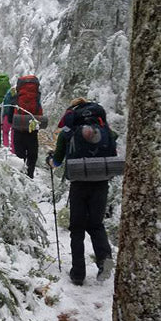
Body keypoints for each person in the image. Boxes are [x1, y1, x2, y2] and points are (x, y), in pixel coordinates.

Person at [46, 98, 116, 286]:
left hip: (79, 183)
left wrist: (51, 160)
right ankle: (104, 261)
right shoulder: (105, 129)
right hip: (101, 182)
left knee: (77, 228)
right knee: (96, 224)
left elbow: (57, 162)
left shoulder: (68, 132)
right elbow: (113, 146)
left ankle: (78, 273)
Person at [12, 74, 43, 178]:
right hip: (32, 130)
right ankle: (30, 176)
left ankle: (20, 177)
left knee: (19, 156)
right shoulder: (36, 96)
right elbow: (40, 113)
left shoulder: (18, 96)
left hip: (18, 129)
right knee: (32, 156)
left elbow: (9, 112)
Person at [1, 86, 17, 153]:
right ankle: (13, 149)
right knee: (13, 132)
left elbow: (4, 108)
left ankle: (5, 146)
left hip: (6, 115)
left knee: (5, 132)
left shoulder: (7, 96)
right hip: (15, 116)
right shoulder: (18, 96)